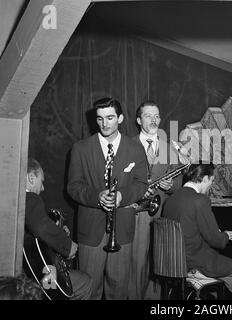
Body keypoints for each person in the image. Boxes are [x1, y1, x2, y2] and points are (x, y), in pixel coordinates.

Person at [67, 97, 148, 300]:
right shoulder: (80, 148)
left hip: (122, 229)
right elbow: (73, 187)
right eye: (100, 118)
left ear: (120, 118)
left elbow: (141, 183)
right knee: (88, 288)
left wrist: (122, 195)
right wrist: (97, 196)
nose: (105, 124)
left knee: (119, 289)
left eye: (110, 118)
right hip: (90, 231)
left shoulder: (135, 148)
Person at [162, 162, 232, 300]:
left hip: (173, 263)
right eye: (212, 180)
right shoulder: (200, 200)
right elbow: (218, 242)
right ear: (205, 178)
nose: (211, 185)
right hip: (195, 264)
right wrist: (225, 235)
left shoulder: (171, 200)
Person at [128, 100, 183, 300]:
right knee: (136, 264)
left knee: (157, 263)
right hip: (136, 214)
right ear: (138, 120)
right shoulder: (127, 145)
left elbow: (178, 179)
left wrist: (171, 185)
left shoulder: (169, 147)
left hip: (161, 215)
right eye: (148, 115)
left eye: (157, 116)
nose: (154, 120)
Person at [24, 158, 92, 300]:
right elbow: (40, 226)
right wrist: (67, 245)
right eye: (41, 182)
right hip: (37, 276)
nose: (42, 188)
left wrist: (57, 231)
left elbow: (34, 231)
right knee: (85, 281)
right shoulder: (30, 198)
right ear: (31, 178)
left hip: (28, 270)